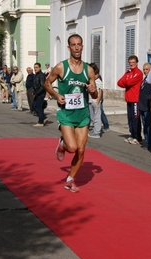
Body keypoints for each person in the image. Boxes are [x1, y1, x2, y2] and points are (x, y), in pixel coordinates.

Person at [44, 33, 98, 193]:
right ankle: (62, 144)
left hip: (82, 114)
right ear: (69, 47)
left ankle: (70, 179)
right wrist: (56, 95)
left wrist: (93, 91)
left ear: (82, 46)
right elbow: (47, 83)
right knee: (73, 148)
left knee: (81, 150)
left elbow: (94, 95)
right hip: (66, 114)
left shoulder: (88, 70)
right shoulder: (61, 67)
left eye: (79, 44)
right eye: (73, 44)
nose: (76, 47)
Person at [117, 55, 144, 145]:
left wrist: (126, 82)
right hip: (128, 99)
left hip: (135, 99)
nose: (131, 64)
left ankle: (138, 137)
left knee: (136, 119)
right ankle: (132, 135)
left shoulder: (138, 73)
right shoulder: (128, 72)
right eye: (130, 62)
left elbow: (127, 82)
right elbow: (119, 82)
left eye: (133, 62)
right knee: (130, 119)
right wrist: (127, 81)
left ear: (136, 63)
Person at [139, 62, 151, 150]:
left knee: (149, 126)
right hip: (142, 106)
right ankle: (147, 142)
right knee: (145, 125)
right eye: (144, 69)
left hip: (148, 106)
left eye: (147, 69)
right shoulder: (145, 80)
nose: (145, 71)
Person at [88, 62, 103, 138]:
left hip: (95, 101)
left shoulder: (98, 81)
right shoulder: (91, 81)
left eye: (96, 74)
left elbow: (100, 91)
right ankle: (94, 130)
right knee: (92, 117)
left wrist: (98, 100)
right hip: (90, 101)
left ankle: (97, 132)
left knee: (97, 116)